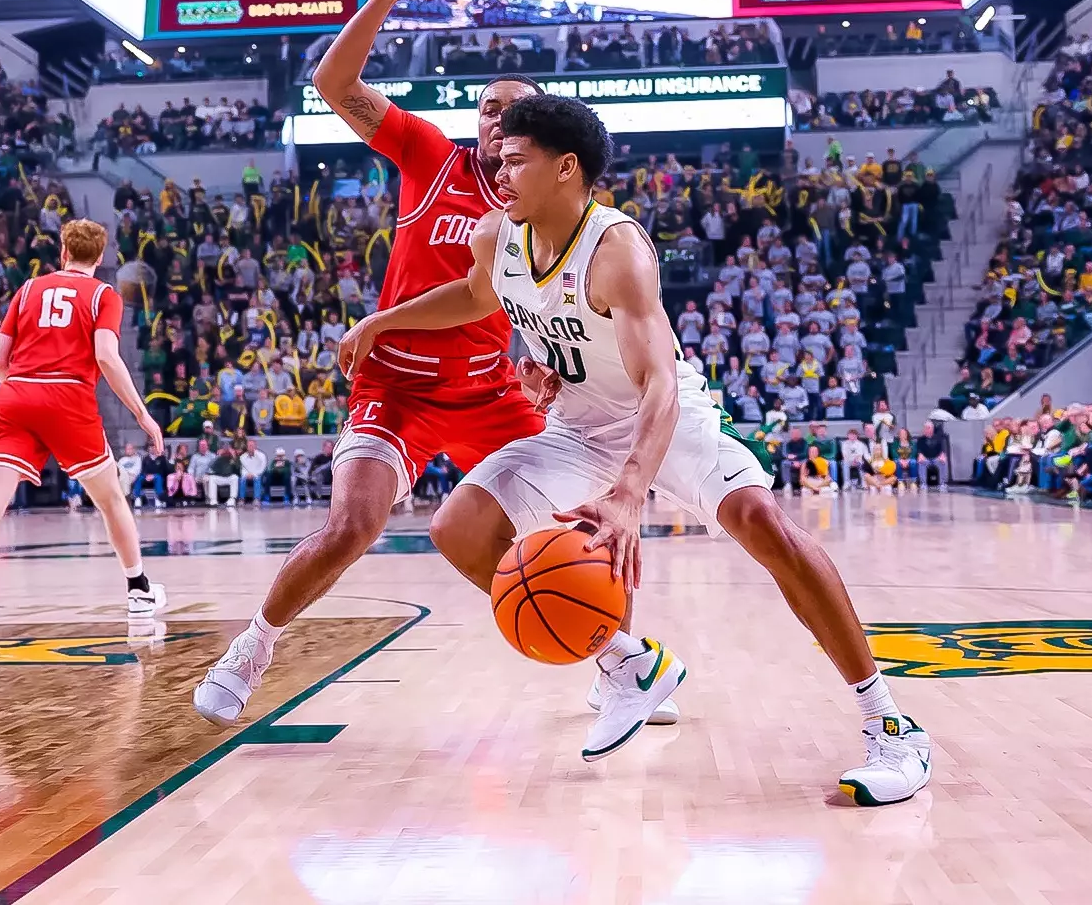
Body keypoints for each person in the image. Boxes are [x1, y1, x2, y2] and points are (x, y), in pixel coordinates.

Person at [320, 95, 930, 800]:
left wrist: (629, 493)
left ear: (566, 168)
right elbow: (475, 297)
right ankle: (628, 664)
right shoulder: (496, 234)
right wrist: (383, 322)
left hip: (661, 417)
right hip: (577, 426)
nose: (498, 171)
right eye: (499, 159)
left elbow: (659, 382)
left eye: (515, 161)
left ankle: (890, 725)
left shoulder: (617, 252)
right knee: (457, 527)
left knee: (763, 523)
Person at [193, 0, 560, 728]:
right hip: (396, 387)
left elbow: (516, 298)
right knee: (351, 526)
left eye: (515, 109)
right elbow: (333, 83)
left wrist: (541, 356)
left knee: (571, 527)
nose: (499, 116)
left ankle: (619, 658)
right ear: (476, 123)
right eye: (488, 106)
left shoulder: (547, 210)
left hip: (487, 392)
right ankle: (251, 648)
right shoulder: (431, 156)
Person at [0, 219, 166, 641]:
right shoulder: (103, 295)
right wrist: (141, 413)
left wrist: (26, 394)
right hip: (68, 397)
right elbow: (107, 357)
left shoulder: (27, 290)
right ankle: (138, 590)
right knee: (110, 499)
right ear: (100, 257)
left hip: (16, 395)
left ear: (63, 251)